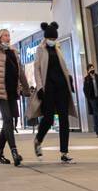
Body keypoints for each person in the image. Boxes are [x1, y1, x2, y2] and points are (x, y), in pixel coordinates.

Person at [0, 28, 32, 166]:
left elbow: (20, 71)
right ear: (0, 37)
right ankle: (14, 152)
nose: (8, 37)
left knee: (9, 122)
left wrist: (26, 89)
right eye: (5, 35)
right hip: (0, 91)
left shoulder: (14, 51)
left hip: (12, 91)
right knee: (7, 119)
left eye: (9, 35)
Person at [27, 22, 78, 163]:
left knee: (64, 119)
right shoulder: (40, 49)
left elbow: (63, 66)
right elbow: (37, 69)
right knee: (48, 118)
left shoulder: (58, 47)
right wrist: (40, 87)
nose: (53, 40)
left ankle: (64, 152)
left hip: (62, 87)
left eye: (54, 38)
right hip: (49, 88)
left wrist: (69, 79)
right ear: (46, 37)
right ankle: (38, 140)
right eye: (51, 38)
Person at [82, 63, 98, 138]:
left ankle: (96, 126)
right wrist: (89, 98)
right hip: (92, 99)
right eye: (91, 68)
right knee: (96, 113)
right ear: (88, 70)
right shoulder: (87, 79)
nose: (92, 69)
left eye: (93, 68)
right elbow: (85, 90)